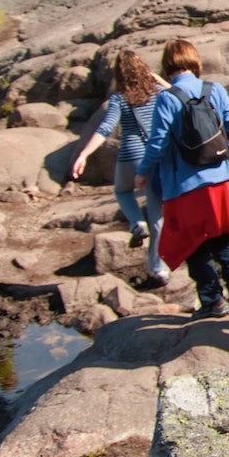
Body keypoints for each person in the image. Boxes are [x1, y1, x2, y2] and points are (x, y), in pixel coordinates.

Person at [137, 38, 229, 320]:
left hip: (185, 185)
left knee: (194, 242)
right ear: (195, 61)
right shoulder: (215, 90)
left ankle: (213, 302)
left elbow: (157, 144)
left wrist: (142, 172)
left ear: (167, 66)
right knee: (224, 234)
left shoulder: (167, 98)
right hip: (222, 178)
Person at [70, 50, 169, 287]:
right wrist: (159, 79)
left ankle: (136, 223)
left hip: (131, 156)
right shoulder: (158, 93)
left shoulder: (119, 98)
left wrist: (84, 153)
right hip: (156, 157)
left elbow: (105, 128)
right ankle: (159, 269)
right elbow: (181, 94)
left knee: (123, 192)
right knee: (158, 214)